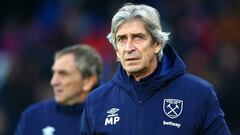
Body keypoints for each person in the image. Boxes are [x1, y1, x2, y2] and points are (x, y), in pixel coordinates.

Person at [80, 3, 231, 135]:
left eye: (138, 37)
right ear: (116, 49)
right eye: (122, 39)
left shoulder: (199, 94)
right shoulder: (96, 101)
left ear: (157, 44)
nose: (129, 48)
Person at [15, 44, 102, 135]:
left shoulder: (109, 117)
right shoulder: (33, 116)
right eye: (54, 73)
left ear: (87, 81)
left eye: (63, 74)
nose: (53, 82)